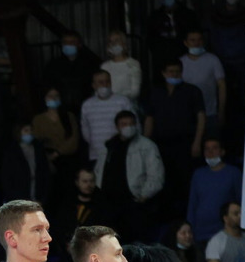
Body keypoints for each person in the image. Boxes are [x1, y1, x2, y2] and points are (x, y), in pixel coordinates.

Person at [145, 59, 206, 213]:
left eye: (178, 71)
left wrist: (197, 142)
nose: (175, 74)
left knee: (186, 180)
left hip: (185, 143)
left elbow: (200, 117)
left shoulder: (192, 91)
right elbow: (149, 117)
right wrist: (146, 142)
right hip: (161, 144)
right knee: (165, 180)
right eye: (171, 72)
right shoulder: (156, 92)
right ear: (163, 73)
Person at [94, 110, 165, 239]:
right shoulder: (109, 145)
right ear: (117, 127)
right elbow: (99, 170)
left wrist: (143, 195)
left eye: (131, 123)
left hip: (133, 202)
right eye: (124, 124)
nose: (128, 127)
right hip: (109, 203)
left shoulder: (146, 146)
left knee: (134, 241)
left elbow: (156, 175)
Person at [185, 138, 239, 243]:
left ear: (222, 151)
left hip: (225, 233)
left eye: (214, 148)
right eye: (207, 149)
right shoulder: (198, 174)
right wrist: (190, 228)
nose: (210, 152)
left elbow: (240, 202)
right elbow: (192, 204)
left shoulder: (233, 173)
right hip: (200, 233)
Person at [80, 70, 136, 164]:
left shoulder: (123, 101)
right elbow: (85, 130)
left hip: (121, 153)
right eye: (101, 82)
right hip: (96, 155)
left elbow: (134, 124)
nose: (105, 85)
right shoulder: (87, 105)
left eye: (107, 81)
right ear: (94, 85)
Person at [180, 30, 226, 138]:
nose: (196, 43)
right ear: (186, 43)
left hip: (210, 113)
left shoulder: (213, 60)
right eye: (192, 40)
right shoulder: (181, 62)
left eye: (199, 40)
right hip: (188, 114)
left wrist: (221, 111)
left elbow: (222, 86)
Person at [39, 31, 101, 111]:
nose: (68, 45)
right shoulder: (53, 65)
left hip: (85, 107)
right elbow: (46, 86)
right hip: (61, 109)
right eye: (65, 42)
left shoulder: (89, 64)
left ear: (79, 45)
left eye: (72, 42)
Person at [145, 0, 198, 74]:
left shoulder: (188, 14)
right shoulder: (155, 16)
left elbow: (194, 32)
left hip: (184, 52)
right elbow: (151, 37)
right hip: (162, 55)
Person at [31, 87, 81, 176]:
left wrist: (57, 153)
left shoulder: (69, 116)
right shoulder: (38, 119)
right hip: (48, 162)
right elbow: (36, 141)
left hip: (68, 160)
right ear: (44, 98)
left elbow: (74, 139)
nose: (54, 98)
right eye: (50, 96)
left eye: (56, 96)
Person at [2, 122, 46, 205]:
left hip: (37, 195)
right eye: (26, 130)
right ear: (19, 132)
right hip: (19, 197)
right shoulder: (12, 152)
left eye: (31, 130)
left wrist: (43, 198)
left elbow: (44, 172)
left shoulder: (38, 149)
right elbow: (8, 178)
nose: (29, 133)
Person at [102, 31, 143, 104]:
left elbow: (135, 92)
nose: (113, 43)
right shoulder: (104, 66)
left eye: (117, 40)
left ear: (124, 43)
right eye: (111, 41)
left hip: (127, 104)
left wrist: (118, 98)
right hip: (108, 104)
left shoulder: (133, 64)